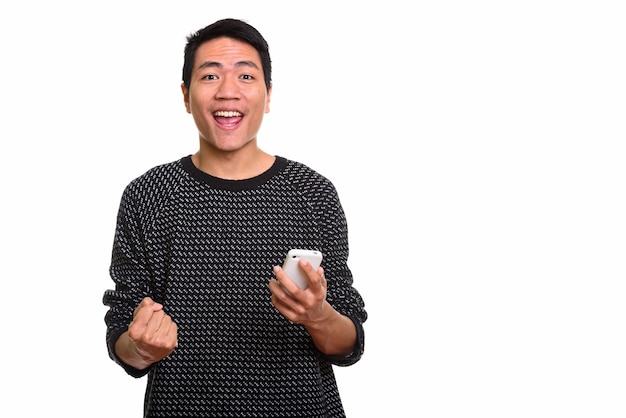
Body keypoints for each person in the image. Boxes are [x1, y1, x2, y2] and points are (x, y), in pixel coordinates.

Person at [102, 17, 367, 417]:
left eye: (246, 76)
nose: (228, 92)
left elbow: (349, 343)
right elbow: (122, 334)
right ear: (186, 96)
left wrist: (319, 316)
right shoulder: (147, 195)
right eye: (209, 76)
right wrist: (139, 347)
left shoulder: (313, 192)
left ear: (268, 93)